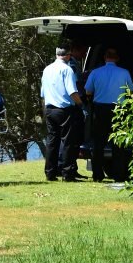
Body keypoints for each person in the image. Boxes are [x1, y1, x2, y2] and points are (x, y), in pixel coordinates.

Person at [84, 47, 133, 182]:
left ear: (104, 58)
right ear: (117, 58)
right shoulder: (124, 72)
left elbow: (88, 91)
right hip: (118, 110)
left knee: (98, 144)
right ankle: (118, 175)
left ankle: (97, 175)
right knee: (118, 144)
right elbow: (131, 91)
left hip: (100, 110)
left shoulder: (95, 72)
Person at [40, 45, 86, 182]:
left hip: (49, 109)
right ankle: (68, 173)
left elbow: (42, 92)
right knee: (68, 142)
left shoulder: (47, 69)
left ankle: (50, 173)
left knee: (52, 142)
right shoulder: (67, 69)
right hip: (64, 110)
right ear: (68, 56)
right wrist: (80, 104)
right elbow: (72, 91)